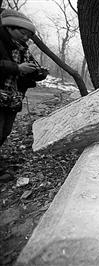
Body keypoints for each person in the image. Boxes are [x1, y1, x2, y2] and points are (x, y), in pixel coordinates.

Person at [0, 9, 47, 181]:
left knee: (5, 132)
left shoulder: (23, 48)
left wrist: (38, 73)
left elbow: (28, 70)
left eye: (29, 35)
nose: (27, 38)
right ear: (10, 28)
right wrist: (17, 68)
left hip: (12, 98)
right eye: (23, 33)